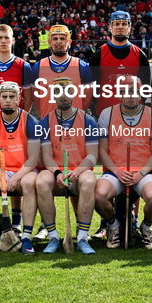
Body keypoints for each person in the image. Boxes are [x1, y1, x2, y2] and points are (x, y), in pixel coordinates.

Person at [95, 75, 152, 250]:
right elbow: (102, 150)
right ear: (119, 94)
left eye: (134, 91)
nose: (130, 95)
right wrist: (118, 172)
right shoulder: (106, 114)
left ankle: (146, 227)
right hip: (115, 172)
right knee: (98, 196)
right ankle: (113, 226)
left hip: (143, 172)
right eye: (126, 91)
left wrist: (140, 174)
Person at [0, 81, 40, 255]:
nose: (8, 100)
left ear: (19, 99)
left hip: (24, 170)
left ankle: (26, 237)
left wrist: (15, 178)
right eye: (4, 97)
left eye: (12, 97)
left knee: (29, 184)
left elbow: (33, 159)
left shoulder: (30, 121)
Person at [34, 77, 98, 254]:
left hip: (80, 171)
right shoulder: (45, 122)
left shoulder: (88, 120)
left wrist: (77, 171)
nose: (62, 97)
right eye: (58, 93)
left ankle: (83, 237)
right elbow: (46, 157)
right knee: (41, 181)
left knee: (89, 181)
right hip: (57, 172)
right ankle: (53, 236)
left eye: (67, 92)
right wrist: (58, 173)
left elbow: (93, 155)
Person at [88, 11, 151, 115]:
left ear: (130, 27)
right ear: (110, 27)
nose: (120, 27)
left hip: (133, 116)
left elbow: (146, 88)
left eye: (124, 24)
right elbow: (92, 88)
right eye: (116, 24)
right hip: (104, 116)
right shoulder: (99, 55)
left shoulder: (140, 55)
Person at [30, 24, 94, 118]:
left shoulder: (82, 66)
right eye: (55, 39)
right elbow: (36, 101)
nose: (59, 42)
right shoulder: (38, 67)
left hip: (76, 127)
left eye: (62, 38)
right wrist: (46, 118)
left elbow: (86, 102)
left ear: (69, 42)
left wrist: (74, 118)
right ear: (49, 42)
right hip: (49, 126)